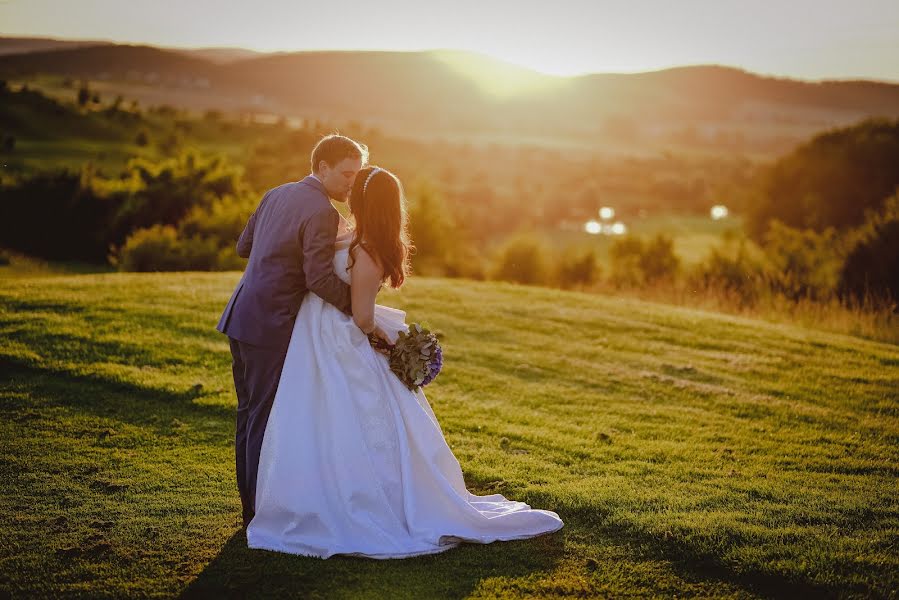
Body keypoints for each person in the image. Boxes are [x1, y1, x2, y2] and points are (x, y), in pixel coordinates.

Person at [246, 165, 563, 559]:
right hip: (316, 338)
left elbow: (362, 318)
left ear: (363, 200)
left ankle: (360, 501)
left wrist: (385, 340)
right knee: (317, 418)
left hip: (337, 341)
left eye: (353, 186)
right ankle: (311, 495)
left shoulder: (366, 250)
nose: (346, 188)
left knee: (345, 420)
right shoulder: (350, 235)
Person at [215, 134, 380, 527]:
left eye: (356, 177)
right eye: (345, 175)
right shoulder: (322, 212)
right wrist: (356, 306)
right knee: (262, 416)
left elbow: (243, 246)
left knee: (249, 413)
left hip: (241, 316)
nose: (351, 185)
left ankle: (250, 504)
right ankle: (256, 510)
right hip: (271, 323)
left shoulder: (275, 193)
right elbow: (319, 277)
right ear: (321, 168)